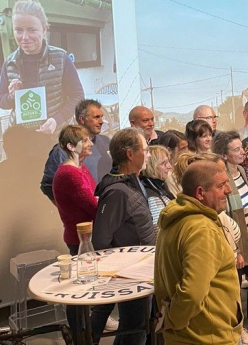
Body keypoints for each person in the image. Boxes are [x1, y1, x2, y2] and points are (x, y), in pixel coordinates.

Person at [154, 160, 243, 345]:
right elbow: (192, 293)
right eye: (221, 185)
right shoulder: (201, 229)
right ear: (200, 193)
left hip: (186, 336)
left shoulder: (175, 217)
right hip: (205, 336)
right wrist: (174, 321)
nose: (229, 190)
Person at [92, 128, 156, 344]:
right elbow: (100, 240)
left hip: (142, 270)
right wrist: (122, 269)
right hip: (131, 274)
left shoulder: (133, 181)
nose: (148, 155)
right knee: (133, 330)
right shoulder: (118, 191)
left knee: (139, 328)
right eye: (145, 150)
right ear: (130, 154)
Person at [212, 131, 248, 344]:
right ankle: (236, 330)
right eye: (236, 149)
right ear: (224, 154)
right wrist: (234, 249)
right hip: (230, 242)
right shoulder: (220, 178)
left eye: (241, 147)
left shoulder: (242, 172)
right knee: (233, 288)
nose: (242, 152)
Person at [0, 0, 84, 135]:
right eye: (18, 30)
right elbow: (0, 100)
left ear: (44, 29)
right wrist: (12, 96)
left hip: (56, 136)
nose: (24, 37)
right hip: (22, 137)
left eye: (32, 30)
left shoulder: (61, 58)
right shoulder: (9, 63)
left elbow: (77, 97)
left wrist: (56, 120)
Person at [51, 125, 97, 342]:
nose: (90, 144)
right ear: (70, 146)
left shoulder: (81, 169)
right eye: (85, 141)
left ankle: (84, 332)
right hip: (81, 238)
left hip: (87, 233)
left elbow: (95, 198)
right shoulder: (69, 174)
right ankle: (79, 335)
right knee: (80, 292)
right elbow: (94, 204)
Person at [40, 99, 112, 202]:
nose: (101, 122)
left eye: (102, 117)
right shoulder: (61, 151)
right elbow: (48, 185)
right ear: (82, 119)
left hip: (108, 209)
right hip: (84, 215)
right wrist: (68, 208)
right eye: (96, 117)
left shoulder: (106, 142)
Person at [140, 145, 175, 232]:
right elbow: (158, 231)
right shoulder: (152, 196)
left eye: (169, 162)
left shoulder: (159, 186)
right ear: (152, 166)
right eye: (164, 163)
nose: (170, 166)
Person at [157, 130, 189, 196]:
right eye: (183, 149)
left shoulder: (186, 167)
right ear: (169, 150)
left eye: (187, 147)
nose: (187, 152)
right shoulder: (166, 175)